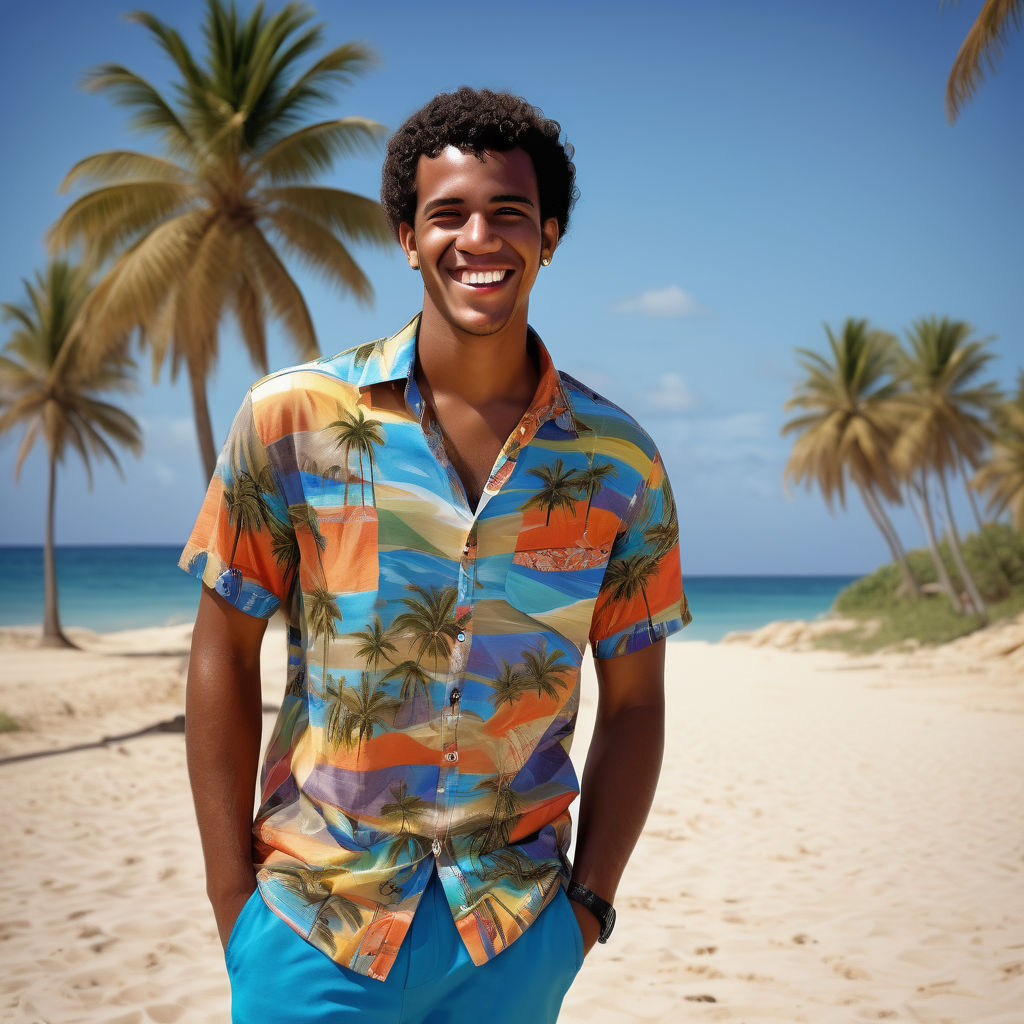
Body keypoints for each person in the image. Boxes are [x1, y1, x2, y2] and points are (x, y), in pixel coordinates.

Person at [180, 86, 691, 1023]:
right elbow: (221, 645)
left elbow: (638, 700)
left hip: (513, 937)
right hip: (311, 926)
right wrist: (230, 901)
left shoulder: (619, 461)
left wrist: (588, 909)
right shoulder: (292, 419)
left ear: (551, 234)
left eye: (508, 213)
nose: (478, 239)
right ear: (407, 236)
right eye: (447, 213)